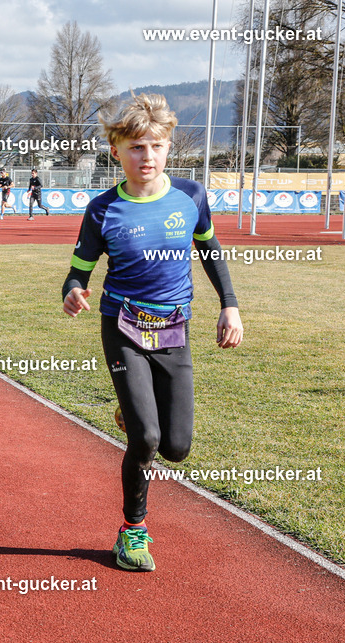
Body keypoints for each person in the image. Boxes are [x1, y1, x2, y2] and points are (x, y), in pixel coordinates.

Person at [61, 93, 243, 572]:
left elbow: (211, 252)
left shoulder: (191, 197)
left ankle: (132, 407)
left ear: (169, 148)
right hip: (122, 324)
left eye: (156, 146)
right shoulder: (102, 210)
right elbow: (77, 272)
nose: (147, 157)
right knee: (145, 438)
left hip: (173, 330)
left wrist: (230, 306)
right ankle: (133, 532)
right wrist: (74, 291)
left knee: (176, 446)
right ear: (116, 151)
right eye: (136, 147)